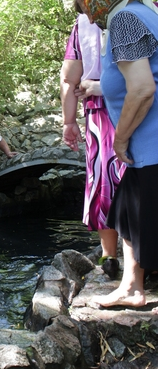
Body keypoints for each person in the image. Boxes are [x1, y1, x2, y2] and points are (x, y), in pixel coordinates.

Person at [75, 0, 158, 308]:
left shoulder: (123, 19)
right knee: (125, 211)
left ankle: (132, 289)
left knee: (132, 213)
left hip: (149, 144)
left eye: (88, 9)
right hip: (149, 146)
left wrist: (120, 140)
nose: (91, 18)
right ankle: (131, 287)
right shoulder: (148, 12)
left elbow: (142, 88)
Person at [60, 14, 126, 279]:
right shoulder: (147, 11)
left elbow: (69, 78)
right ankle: (144, 254)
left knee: (104, 183)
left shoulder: (84, 24)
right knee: (139, 177)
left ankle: (110, 256)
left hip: (100, 114)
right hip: (142, 106)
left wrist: (68, 122)